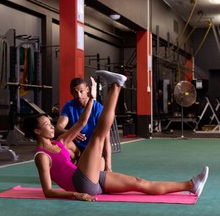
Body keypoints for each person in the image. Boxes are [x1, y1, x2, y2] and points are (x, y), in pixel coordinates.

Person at [23, 70, 209, 202]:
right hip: (80, 183)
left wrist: (93, 98)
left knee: (139, 183)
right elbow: (47, 191)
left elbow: (81, 123)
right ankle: (116, 86)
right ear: (37, 131)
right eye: (47, 125)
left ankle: (191, 185)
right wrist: (76, 195)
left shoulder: (60, 141)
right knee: (97, 136)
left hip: (91, 178)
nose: (52, 127)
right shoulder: (42, 156)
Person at [55, 76, 112, 171]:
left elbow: (106, 139)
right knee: (60, 144)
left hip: (93, 150)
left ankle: (82, 164)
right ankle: (75, 162)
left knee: (98, 173)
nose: (79, 95)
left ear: (87, 90)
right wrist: (71, 132)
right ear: (71, 92)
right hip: (76, 149)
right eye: (75, 92)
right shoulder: (69, 106)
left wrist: (108, 167)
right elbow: (58, 128)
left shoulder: (99, 109)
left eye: (81, 91)